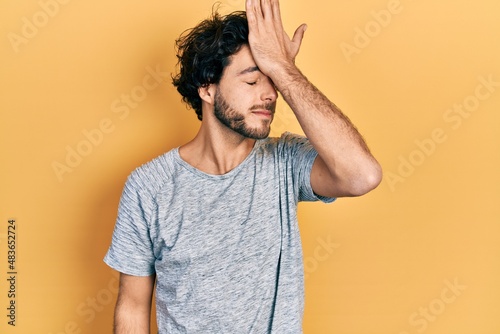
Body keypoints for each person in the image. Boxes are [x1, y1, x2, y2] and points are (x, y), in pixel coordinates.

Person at [104, 0, 382, 332]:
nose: (269, 95)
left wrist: (285, 69)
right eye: (252, 81)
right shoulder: (149, 187)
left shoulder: (284, 161)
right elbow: (133, 308)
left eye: (272, 82)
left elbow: (362, 175)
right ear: (207, 88)